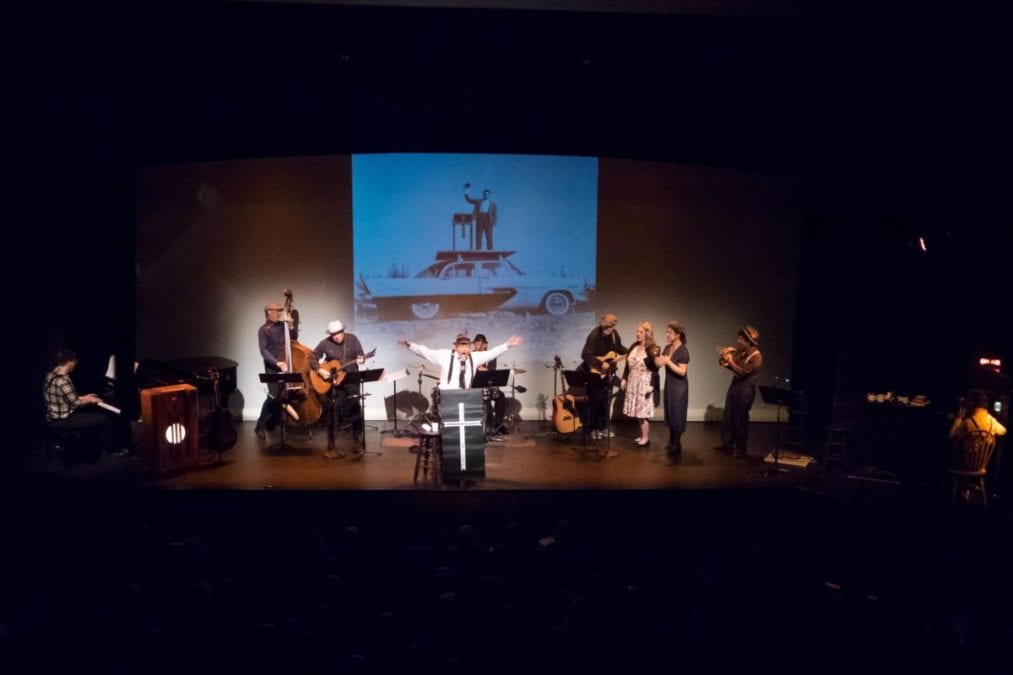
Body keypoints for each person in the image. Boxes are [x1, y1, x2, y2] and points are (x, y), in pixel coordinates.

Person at [43, 349, 125, 456]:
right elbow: (76, 404)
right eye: (75, 361)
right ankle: (111, 450)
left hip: (52, 417)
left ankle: (96, 444)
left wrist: (85, 397)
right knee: (105, 419)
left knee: (93, 412)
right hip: (63, 419)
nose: (76, 364)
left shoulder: (51, 375)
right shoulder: (64, 381)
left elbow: (66, 397)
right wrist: (91, 400)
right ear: (69, 362)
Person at [311, 320, 366, 458]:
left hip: (351, 379)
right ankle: (331, 445)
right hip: (335, 382)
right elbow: (312, 358)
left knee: (355, 409)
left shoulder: (352, 339)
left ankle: (356, 441)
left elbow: (361, 355)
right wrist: (320, 370)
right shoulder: (325, 343)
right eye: (333, 334)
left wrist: (362, 359)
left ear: (343, 331)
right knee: (333, 412)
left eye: (338, 333)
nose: (336, 336)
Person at [399, 333, 522, 390]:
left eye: (467, 346)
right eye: (462, 346)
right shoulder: (445, 355)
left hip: (466, 394)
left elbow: (492, 353)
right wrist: (410, 344)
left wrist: (508, 344)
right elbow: (425, 351)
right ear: (456, 347)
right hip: (448, 394)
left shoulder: (474, 357)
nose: (464, 349)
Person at [717, 324, 763, 458]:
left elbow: (742, 372)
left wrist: (730, 361)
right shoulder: (742, 352)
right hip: (735, 386)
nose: (738, 342)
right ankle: (727, 445)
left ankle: (741, 449)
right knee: (729, 416)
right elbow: (731, 366)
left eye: (741, 340)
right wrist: (725, 357)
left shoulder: (756, 357)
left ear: (748, 341)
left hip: (745, 390)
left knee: (740, 419)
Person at [580, 313, 627, 440]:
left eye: (612, 326)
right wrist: (601, 363)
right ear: (602, 325)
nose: (610, 329)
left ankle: (603, 428)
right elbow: (585, 355)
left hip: (607, 374)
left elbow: (618, 347)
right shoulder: (594, 335)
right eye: (607, 326)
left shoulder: (614, 335)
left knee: (605, 401)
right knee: (594, 401)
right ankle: (593, 429)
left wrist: (630, 352)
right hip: (594, 373)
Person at [255, 300, 296, 439]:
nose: (280, 314)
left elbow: (294, 338)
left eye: (280, 311)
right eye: (277, 312)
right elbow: (263, 351)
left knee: (283, 395)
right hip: (273, 366)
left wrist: (291, 325)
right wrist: (277, 362)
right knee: (273, 396)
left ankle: (275, 423)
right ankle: (260, 425)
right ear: (269, 313)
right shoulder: (263, 330)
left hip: (286, 363)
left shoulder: (283, 326)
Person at [620, 322, 661, 447]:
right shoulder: (634, 346)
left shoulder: (653, 348)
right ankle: (643, 435)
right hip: (633, 382)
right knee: (638, 412)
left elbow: (655, 369)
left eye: (641, 332)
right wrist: (624, 378)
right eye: (637, 331)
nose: (638, 334)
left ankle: (646, 438)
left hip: (644, 382)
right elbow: (627, 365)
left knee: (642, 413)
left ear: (647, 333)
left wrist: (652, 386)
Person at [655, 321, 690, 454]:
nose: (667, 334)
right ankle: (671, 438)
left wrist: (668, 361)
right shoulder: (667, 348)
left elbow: (682, 371)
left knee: (677, 413)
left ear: (678, 334)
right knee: (669, 412)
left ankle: (677, 441)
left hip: (679, 387)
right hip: (669, 384)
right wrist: (655, 357)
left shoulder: (683, 351)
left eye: (670, 332)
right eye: (667, 332)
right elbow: (659, 363)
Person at [473, 333, 507, 434]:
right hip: (474, 387)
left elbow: (492, 372)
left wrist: (485, 370)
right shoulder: (471, 355)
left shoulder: (491, 356)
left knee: (501, 396)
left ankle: (498, 423)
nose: (478, 346)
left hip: (487, 387)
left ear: (485, 345)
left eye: (481, 343)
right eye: (476, 343)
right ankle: (482, 425)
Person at [464, 183, 497, 250]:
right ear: (483, 195)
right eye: (484, 194)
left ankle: (490, 251)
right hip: (480, 218)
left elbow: (494, 214)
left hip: (488, 219)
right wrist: (466, 190)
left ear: (489, 195)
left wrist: (494, 221)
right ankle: (478, 250)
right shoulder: (478, 201)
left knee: (489, 237)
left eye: (487, 194)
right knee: (478, 236)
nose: (485, 195)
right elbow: (469, 200)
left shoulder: (493, 204)